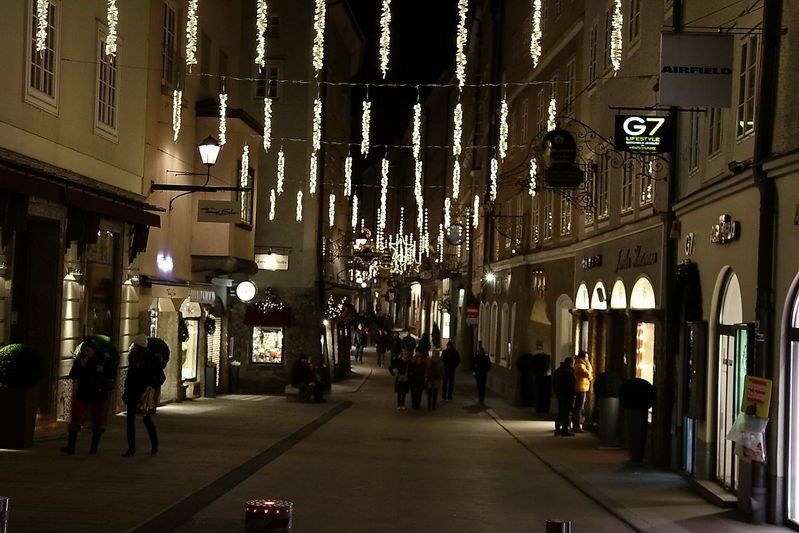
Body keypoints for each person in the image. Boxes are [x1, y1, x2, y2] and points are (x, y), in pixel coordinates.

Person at [61, 339, 116, 455]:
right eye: (84, 350)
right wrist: (81, 366)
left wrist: (103, 370)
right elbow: (73, 375)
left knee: (98, 420)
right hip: (83, 393)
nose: (86, 352)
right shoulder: (81, 360)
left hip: (99, 393)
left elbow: (112, 373)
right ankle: (71, 447)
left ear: (94, 350)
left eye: (88, 350)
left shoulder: (103, 360)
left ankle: (94, 448)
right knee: (75, 418)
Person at [122, 335, 165, 457]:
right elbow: (130, 375)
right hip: (132, 392)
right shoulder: (133, 357)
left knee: (147, 420)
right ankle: (131, 448)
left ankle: (154, 445)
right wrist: (126, 389)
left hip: (144, 393)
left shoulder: (151, 359)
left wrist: (151, 386)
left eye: (135, 346)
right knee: (130, 421)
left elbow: (161, 377)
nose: (133, 347)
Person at [553, 357, 577, 437]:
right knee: (566, 412)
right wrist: (573, 393)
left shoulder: (558, 370)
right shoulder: (569, 372)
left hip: (559, 394)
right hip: (567, 394)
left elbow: (554, 382)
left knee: (560, 411)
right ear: (571, 363)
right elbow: (571, 384)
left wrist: (556, 392)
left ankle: (557, 429)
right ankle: (564, 430)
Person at [573, 351, 594, 433]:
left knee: (579, 407)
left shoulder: (581, 365)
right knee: (579, 408)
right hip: (580, 389)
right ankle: (576, 427)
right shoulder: (580, 366)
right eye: (586, 357)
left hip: (582, 388)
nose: (587, 359)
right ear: (582, 357)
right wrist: (588, 363)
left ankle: (576, 426)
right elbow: (588, 374)